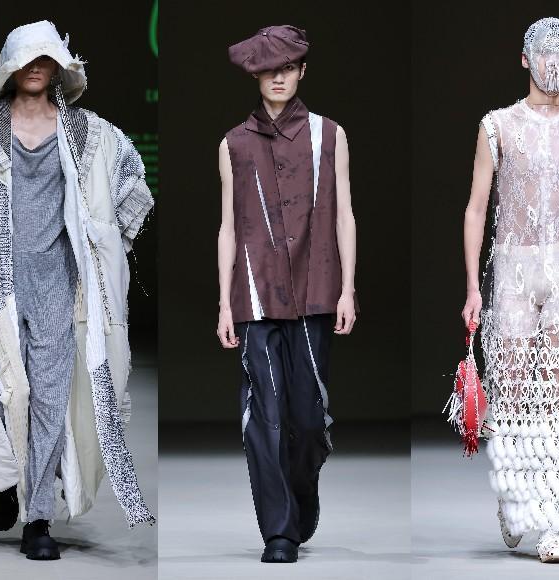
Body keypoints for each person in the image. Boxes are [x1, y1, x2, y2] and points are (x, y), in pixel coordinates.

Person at [0, 21, 155, 560]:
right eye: (27, 58)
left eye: (47, 58)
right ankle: (4, 479)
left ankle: (37, 516)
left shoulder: (87, 133)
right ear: (11, 68)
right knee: (1, 390)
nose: (37, 67)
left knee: (49, 396)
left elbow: (129, 187)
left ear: (61, 67)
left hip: (58, 282)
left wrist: (106, 246)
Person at [460, 16, 559, 564]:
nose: (553, 61)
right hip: (512, 266)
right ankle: (514, 496)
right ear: (525, 59)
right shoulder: (498, 126)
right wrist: (472, 286)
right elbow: (477, 208)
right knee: (509, 389)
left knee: (558, 392)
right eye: (543, 51)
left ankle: (553, 523)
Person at [216, 24, 358, 564]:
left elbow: (344, 214)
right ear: (255, 75)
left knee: (308, 418)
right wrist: (224, 301)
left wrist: (348, 288)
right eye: (268, 69)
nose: (278, 77)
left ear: (301, 72)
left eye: (288, 68)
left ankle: (302, 493)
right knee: (264, 414)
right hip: (254, 294)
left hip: (315, 288)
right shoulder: (233, 144)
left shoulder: (330, 135)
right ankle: (278, 531)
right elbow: (228, 227)